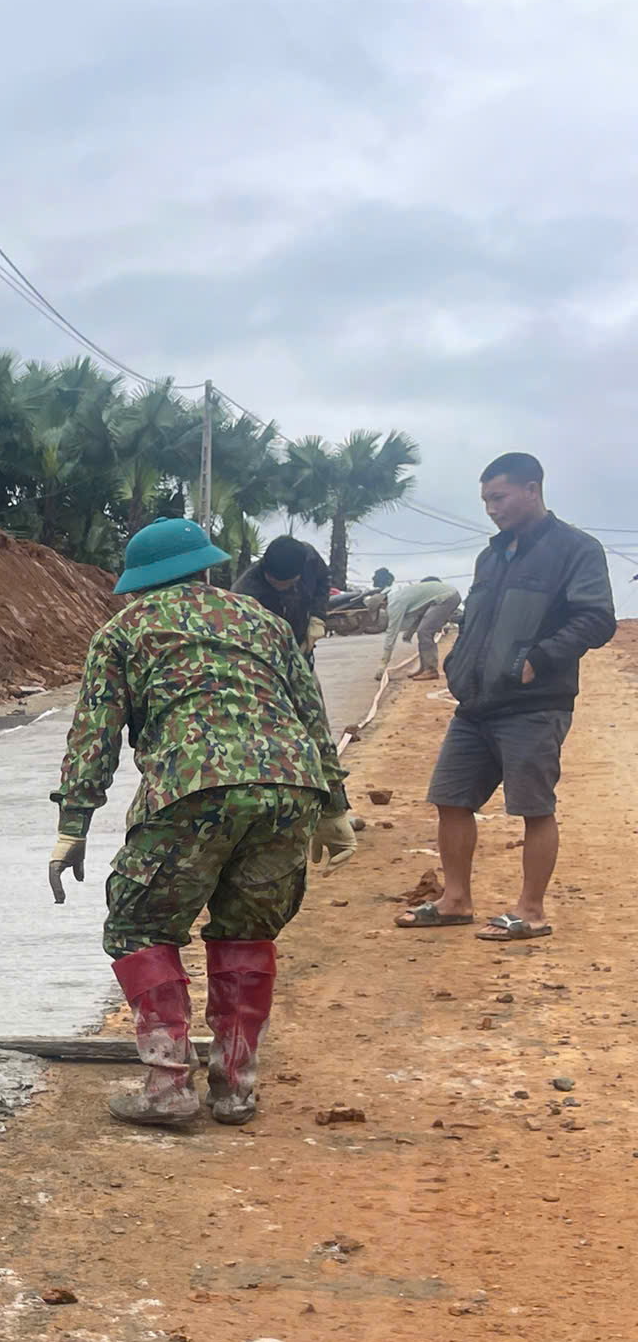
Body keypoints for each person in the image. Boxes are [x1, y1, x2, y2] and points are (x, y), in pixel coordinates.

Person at [50, 518, 354, 1128]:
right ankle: (236, 1087)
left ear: (139, 582)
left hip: (190, 790)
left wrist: (73, 824)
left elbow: (94, 734)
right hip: (289, 788)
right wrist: (335, 807)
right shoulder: (264, 620)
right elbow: (310, 713)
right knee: (246, 930)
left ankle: (167, 1087)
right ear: (208, 568)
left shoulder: (124, 630)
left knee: (139, 924)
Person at [396, 453, 616, 943]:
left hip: (535, 705)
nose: (491, 509)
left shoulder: (576, 549)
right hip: (476, 704)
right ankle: (455, 901)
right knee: (450, 799)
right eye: (486, 501)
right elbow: (477, 620)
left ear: (532, 489)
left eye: (499, 497)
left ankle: (531, 912)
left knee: (534, 808)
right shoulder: (492, 555)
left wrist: (538, 658)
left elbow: (597, 618)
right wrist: (457, 663)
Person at [232, 535, 325, 653]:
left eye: (289, 584)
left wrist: (317, 616)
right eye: (274, 583)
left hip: (301, 640)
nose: (281, 588)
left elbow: (324, 581)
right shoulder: (244, 593)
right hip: (266, 649)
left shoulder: (309, 558)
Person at [381, 574, 464, 680]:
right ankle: (424, 668)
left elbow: (392, 631)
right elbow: (422, 615)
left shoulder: (395, 603)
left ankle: (430, 670)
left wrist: (384, 662)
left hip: (447, 597)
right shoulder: (400, 596)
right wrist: (409, 633)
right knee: (423, 630)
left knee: (425, 632)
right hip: (449, 594)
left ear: (382, 604)